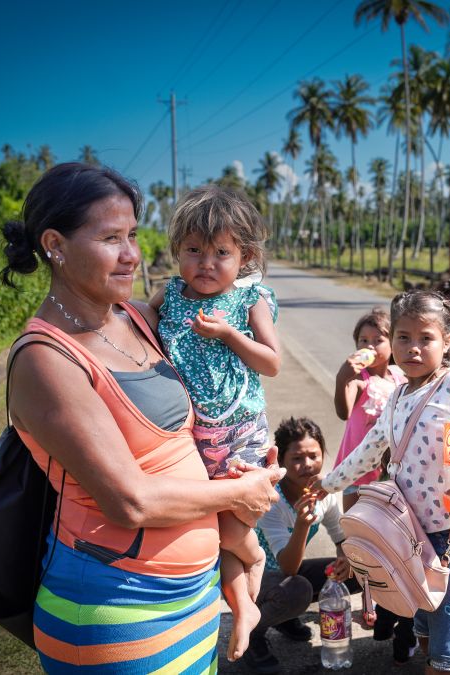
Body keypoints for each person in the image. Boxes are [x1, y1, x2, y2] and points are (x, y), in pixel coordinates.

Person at [0, 162, 283, 673]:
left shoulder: (136, 319)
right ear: (55, 245)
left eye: (132, 235)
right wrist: (241, 492)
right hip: (121, 608)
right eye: (111, 238)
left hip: (196, 600)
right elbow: (130, 501)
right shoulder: (46, 358)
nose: (132, 253)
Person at [311, 291, 450, 675]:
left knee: (448, 661)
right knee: (427, 639)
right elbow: (369, 450)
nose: (413, 348)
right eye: (404, 337)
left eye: (425, 338)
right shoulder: (399, 395)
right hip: (409, 541)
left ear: (447, 341)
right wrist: (327, 484)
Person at [147, 184, 281, 661]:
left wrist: (229, 335)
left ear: (245, 256)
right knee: (213, 527)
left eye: (221, 253)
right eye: (194, 250)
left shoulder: (249, 300)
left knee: (231, 527)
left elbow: (271, 362)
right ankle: (243, 607)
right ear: (177, 250)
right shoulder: (170, 296)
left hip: (242, 431)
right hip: (191, 436)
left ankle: (256, 560)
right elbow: (139, 321)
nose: (206, 263)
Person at [331, 308, 415, 664]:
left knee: (396, 547)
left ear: (392, 343)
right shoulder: (359, 378)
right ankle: (374, 606)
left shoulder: (400, 377)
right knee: (361, 545)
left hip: (391, 479)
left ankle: (398, 616)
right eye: (362, 340)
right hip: (355, 476)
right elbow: (343, 410)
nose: (368, 346)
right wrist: (343, 376)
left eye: (377, 340)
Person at [244, 417, 359, 674]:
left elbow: (341, 537)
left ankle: (283, 618)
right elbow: (288, 567)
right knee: (297, 590)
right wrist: (302, 525)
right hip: (253, 578)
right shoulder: (271, 498)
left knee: (359, 570)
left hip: (285, 574)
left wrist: (345, 559)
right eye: (297, 458)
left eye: (313, 456)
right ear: (281, 461)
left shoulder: (322, 494)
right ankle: (251, 633)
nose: (307, 464)